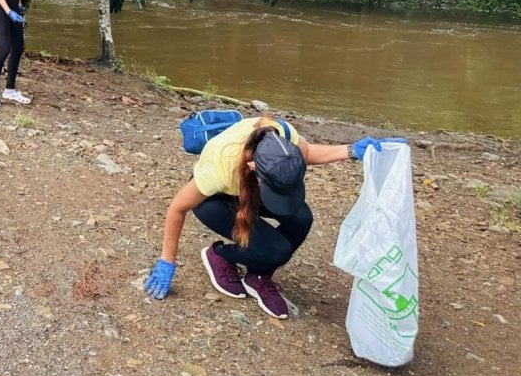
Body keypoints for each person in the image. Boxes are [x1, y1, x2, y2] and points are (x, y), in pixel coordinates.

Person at [143, 116, 407, 319]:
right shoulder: (221, 164)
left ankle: (258, 275)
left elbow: (308, 152)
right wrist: (167, 262)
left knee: (301, 217)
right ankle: (221, 255)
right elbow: (177, 208)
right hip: (215, 200)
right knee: (277, 250)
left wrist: (352, 150)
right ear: (254, 168)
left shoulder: (282, 135)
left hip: (253, 188)